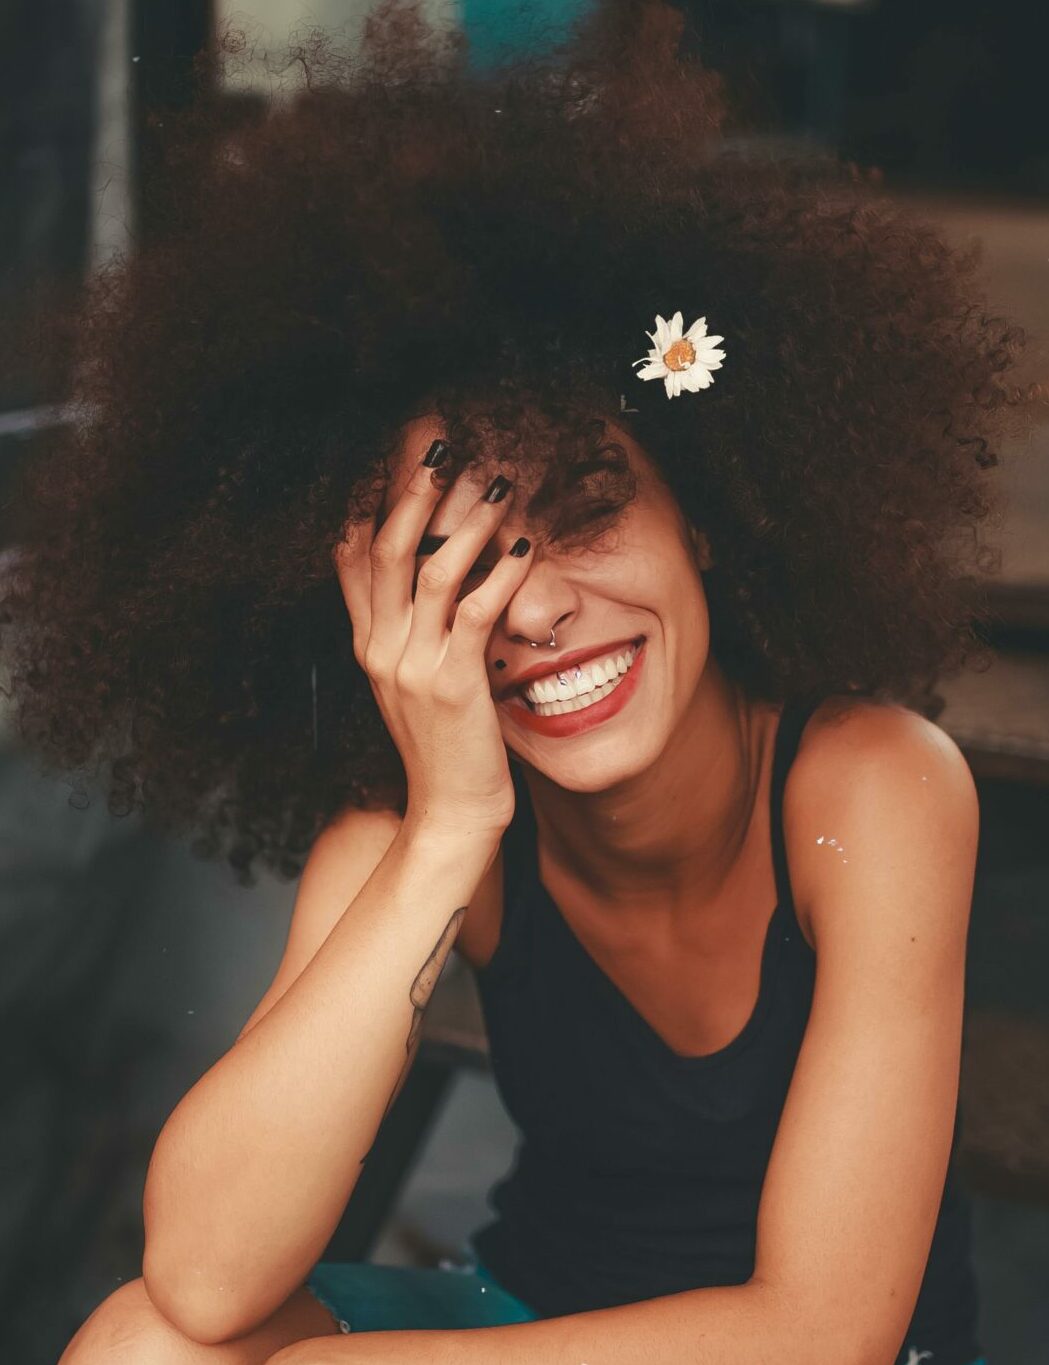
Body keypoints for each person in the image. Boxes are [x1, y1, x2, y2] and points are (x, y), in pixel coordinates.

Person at [5, 1, 1033, 1361]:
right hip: (526, 1324)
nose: (533, 604)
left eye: (584, 509)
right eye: (452, 557)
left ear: (710, 512)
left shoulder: (873, 784)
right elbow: (201, 1274)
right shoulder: (419, 816)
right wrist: (446, 828)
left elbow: (821, 1330)